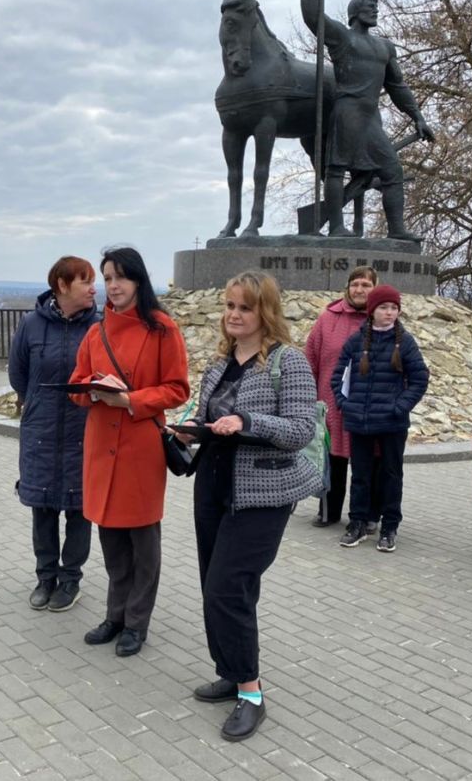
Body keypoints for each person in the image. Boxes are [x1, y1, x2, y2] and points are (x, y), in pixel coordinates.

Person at [172, 271, 321, 742]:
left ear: (265, 313)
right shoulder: (219, 364)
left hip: (261, 497)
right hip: (213, 489)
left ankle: (252, 694)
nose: (234, 315)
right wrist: (190, 426)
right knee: (215, 587)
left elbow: (301, 429)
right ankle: (231, 671)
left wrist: (247, 420)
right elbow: (207, 415)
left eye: (245, 307)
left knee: (226, 589)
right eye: (230, 306)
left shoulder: (287, 362)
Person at [69, 247, 190, 658]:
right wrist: (91, 391)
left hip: (139, 447)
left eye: (121, 277)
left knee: (143, 541)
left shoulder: (162, 329)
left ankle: (137, 623)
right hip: (101, 446)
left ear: (138, 280)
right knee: (111, 538)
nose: (113, 286)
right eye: (107, 278)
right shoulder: (94, 332)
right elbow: (77, 385)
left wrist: (130, 400)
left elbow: (177, 389)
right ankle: (115, 615)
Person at [301, 0, 434, 241]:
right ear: (354, 13)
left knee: (392, 170)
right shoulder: (342, 38)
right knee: (336, 169)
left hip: (371, 117)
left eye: (375, 7)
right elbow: (313, 15)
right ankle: (336, 227)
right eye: (368, 6)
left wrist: (417, 117)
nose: (375, 10)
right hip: (347, 111)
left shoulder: (385, 47)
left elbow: (397, 86)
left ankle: (396, 229)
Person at [9, 256, 100, 612]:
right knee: (43, 506)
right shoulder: (31, 324)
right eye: (86, 281)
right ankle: (45, 577)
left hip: (83, 428)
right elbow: (18, 375)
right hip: (42, 429)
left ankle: (70, 579)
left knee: (79, 508)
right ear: (62, 286)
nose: (94, 288)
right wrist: (36, 405)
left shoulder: (100, 325)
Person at [332, 285, 430, 552]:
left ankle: (389, 527)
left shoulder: (405, 342)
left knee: (391, 475)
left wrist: (401, 406)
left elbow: (420, 379)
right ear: (372, 310)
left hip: (392, 423)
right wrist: (345, 405)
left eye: (394, 308)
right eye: (384, 307)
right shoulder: (355, 341)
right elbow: (337, 376)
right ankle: (358, 523)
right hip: (360, 421)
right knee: (360, 475)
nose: (389, 313)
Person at [305, 266, 382, 530]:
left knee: (369, 461)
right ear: (347, 287)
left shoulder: (381, 318)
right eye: (355, 284)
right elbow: (311, 358)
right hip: (331, 403)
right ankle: (329, 511)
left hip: (367, 405)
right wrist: (309, 398)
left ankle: (368, 514)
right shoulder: (328, 317)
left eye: (366, 285)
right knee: (331, 458)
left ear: (375, 288)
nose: (359, 290)